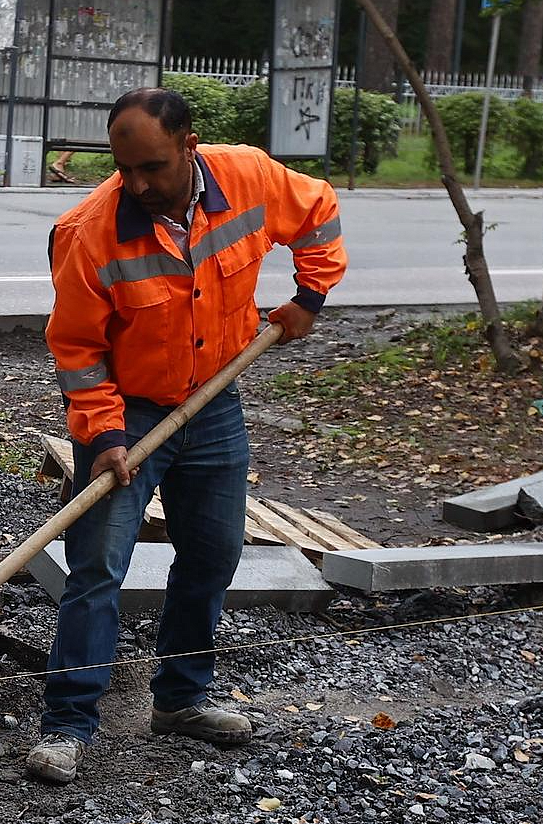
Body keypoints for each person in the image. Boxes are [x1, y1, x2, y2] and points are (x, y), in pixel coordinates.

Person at [27, 87, 349, 785]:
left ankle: (178, 701)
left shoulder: (250, 178)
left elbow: (319, 211)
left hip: (212, 401)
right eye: (124, 169)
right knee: (97, 568)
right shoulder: (88, 232)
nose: (137, 184)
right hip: (129, 412)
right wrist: (103, 433)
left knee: (211, 553)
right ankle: (68, 724)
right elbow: (77, 350)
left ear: (188, 146)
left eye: (151, 167)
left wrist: (307, 297)